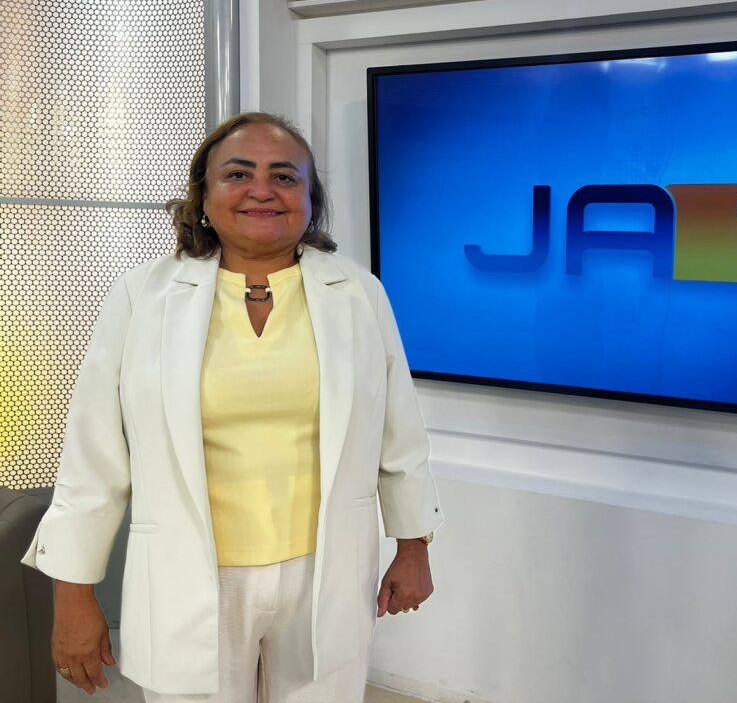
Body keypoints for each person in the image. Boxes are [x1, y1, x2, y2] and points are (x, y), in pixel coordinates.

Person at [21, 111, 443, 702]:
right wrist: (74, 592)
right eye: (238, 174)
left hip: (325, 573)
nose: (261, 190)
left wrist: (413, 545)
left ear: (311, 199)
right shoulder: (142, 296)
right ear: (203, 197)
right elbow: (93, 458)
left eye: (284, 177)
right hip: (190, 576)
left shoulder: (358, 293)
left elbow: (400, 433)